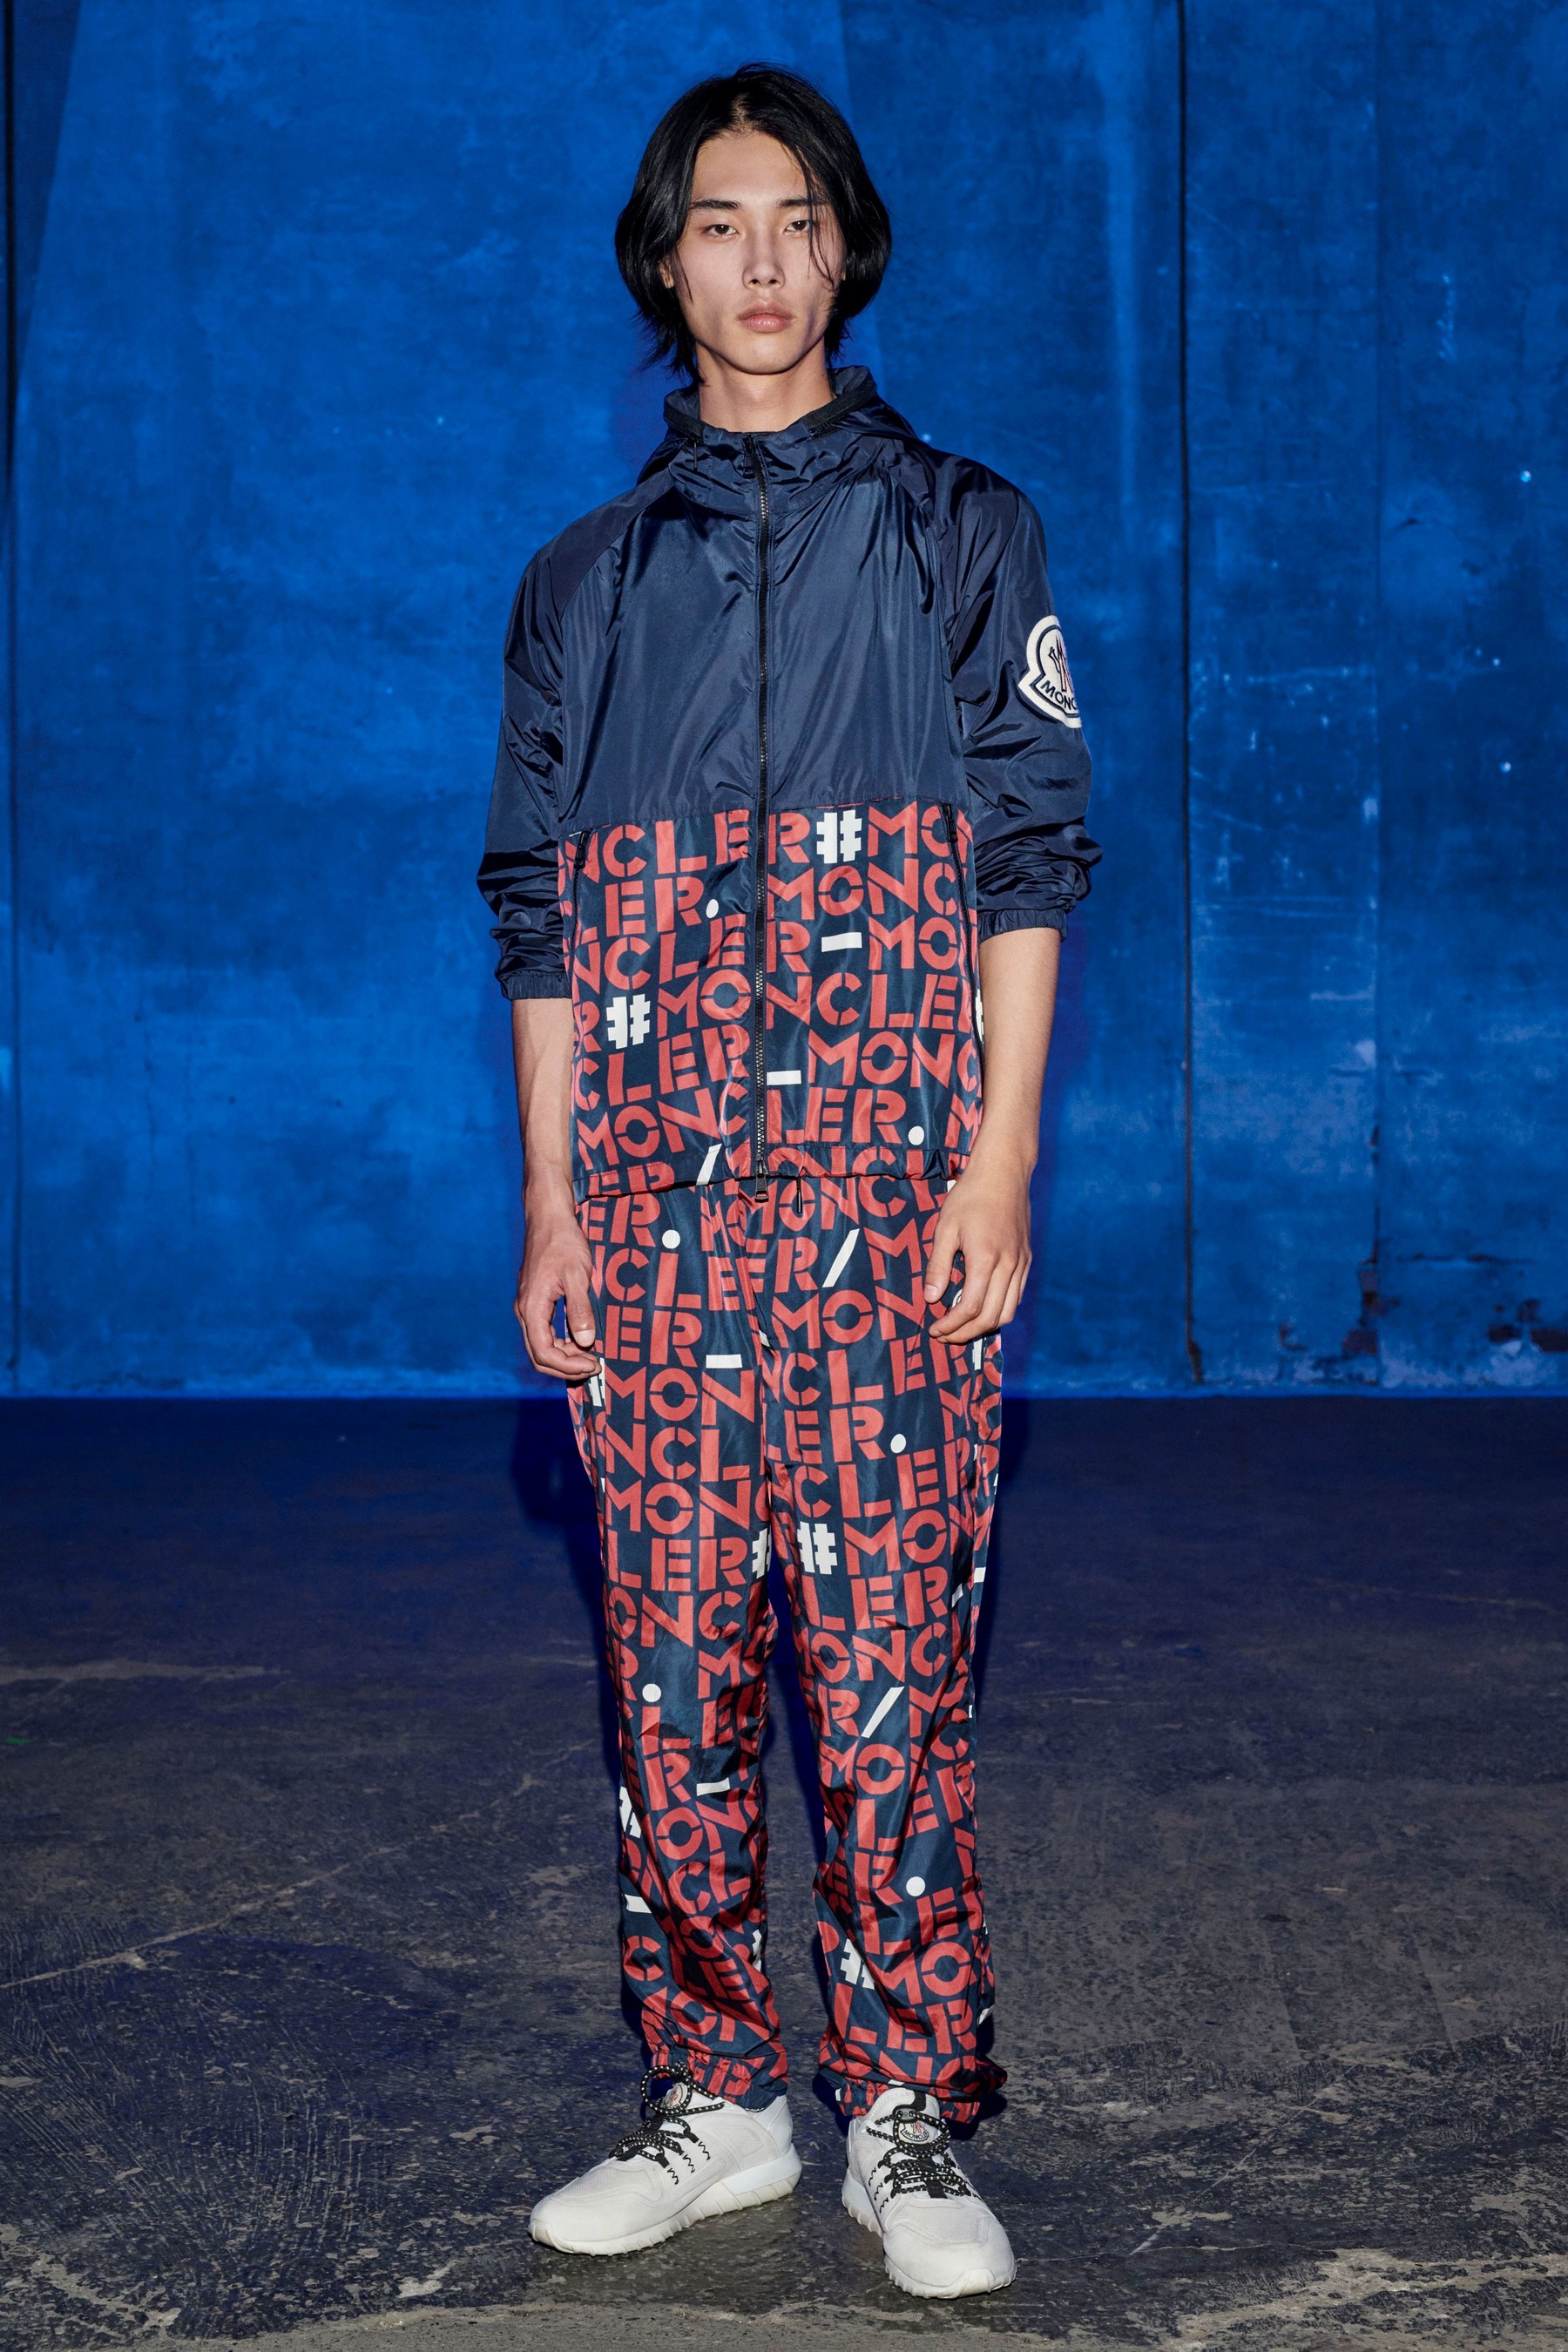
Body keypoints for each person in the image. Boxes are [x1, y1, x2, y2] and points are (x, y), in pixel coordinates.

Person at [478, 62, 1098, 2301]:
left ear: (848, 252)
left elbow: (1030, 860)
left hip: (890, 1195)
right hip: (652, 1218)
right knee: (671, 1675)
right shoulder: (581, 584)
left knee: (891, 1668)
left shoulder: (962, 531)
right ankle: (719, 2096)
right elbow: (539, 919)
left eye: (799, 221)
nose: (762, 262)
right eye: (721, 224)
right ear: (666, 263)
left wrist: (998, 1162)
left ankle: (909, 2110)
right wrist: (557, 1208)